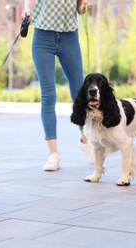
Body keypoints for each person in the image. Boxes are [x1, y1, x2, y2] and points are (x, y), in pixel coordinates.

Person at [22, 0, 92, 171]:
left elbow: (79, 6)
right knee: (48, 95)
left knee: (79, 92)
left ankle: (86, 138)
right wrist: (27, 10)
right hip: (43, 36)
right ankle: (54, 154)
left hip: (70, 37)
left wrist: (83, 7)